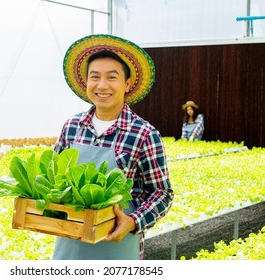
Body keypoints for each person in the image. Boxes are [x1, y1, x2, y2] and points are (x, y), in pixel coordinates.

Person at [52, 34, 174, 260]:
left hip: (117, 245)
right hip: (69, 242)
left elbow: (162, 194)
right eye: (95, 77)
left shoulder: (144, 134)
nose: (102, 85)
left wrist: (133, 222)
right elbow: (53, 178)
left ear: (127, 84)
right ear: (86, 83)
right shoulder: (71, 127)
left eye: (112, 77)